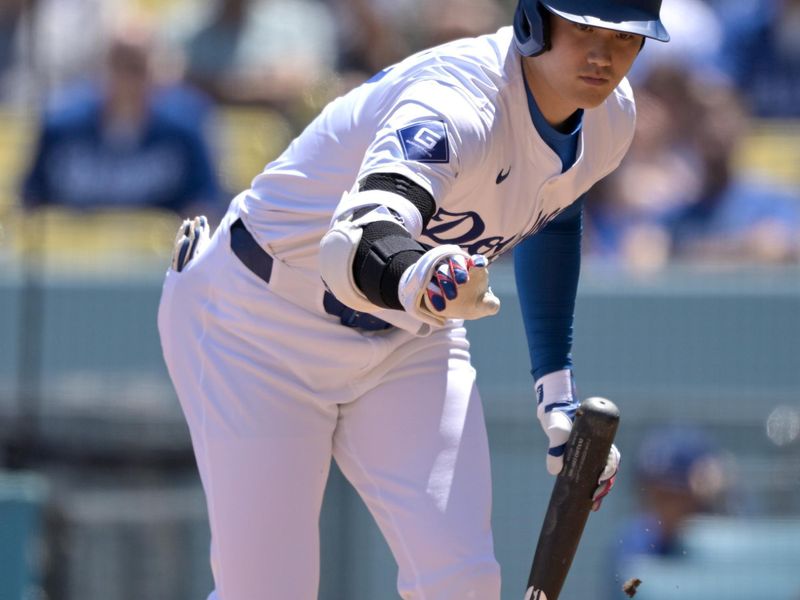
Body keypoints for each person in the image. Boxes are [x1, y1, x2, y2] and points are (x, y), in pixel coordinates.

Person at [158, 1, 669, 597]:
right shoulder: (454, 102)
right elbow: (355, 242)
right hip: (258, 318)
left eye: (623, 35)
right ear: (534, 19)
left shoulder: (610, 117)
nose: (603, 54)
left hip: (407, 335)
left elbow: (552, 210)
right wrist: (414, 278)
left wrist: (556, 396)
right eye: (583, 27)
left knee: (464, 582)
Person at [21, 22, 222, 218]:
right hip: (74, 251)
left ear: (157, 70)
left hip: (160, 250)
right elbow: (32, 202)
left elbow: (204, 205)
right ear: (101, 68)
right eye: (118, 66)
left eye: (136, 68)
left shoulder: (186, 128)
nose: (126, 80)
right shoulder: (60, 128)